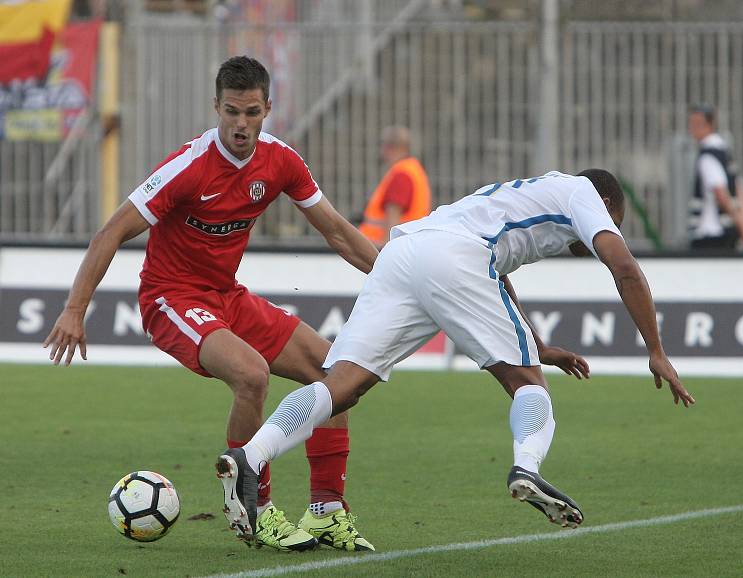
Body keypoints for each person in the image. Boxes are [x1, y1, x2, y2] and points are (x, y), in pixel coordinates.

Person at [215, 169, 696, 537]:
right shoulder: (586, 194)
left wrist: (538, 345)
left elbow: (496, 275)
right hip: (457, 257)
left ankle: (251, 455)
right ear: (608, 203)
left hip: (405, 251)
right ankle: (527, 468)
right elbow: (625, 267)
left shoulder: (529, 193)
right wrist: (655, 351)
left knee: (338, 385)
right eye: (616, 221)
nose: (607, 230)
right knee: (528, 387)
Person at [43, 56, 378, 551]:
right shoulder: (189, 166)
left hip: (226, 295)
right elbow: (110, 232)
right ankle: (254, 506)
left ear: (268, 108)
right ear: (215, 107)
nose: (240, 125)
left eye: (251, 113)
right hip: (170, 297)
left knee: (333, 374)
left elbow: (335, 230)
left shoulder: (281, 160)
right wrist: (74, 310)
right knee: (252, 375)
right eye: (231, 112)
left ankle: (327, 509)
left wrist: (399, 279)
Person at [687, 103, 743, 250]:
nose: (691, 129)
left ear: (710, 124)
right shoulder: (725, 154)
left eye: (696, 124)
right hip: (725, 232)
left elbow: (720, 193)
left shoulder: (708, 156)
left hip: (710, 234)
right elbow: (739, 189)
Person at [359, 125, 431, 247]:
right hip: (408, 245)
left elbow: (393, 214)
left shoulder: (402, 174)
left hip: (384, 248)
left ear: (390, 147)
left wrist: (386, 248)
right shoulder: (413, 170)